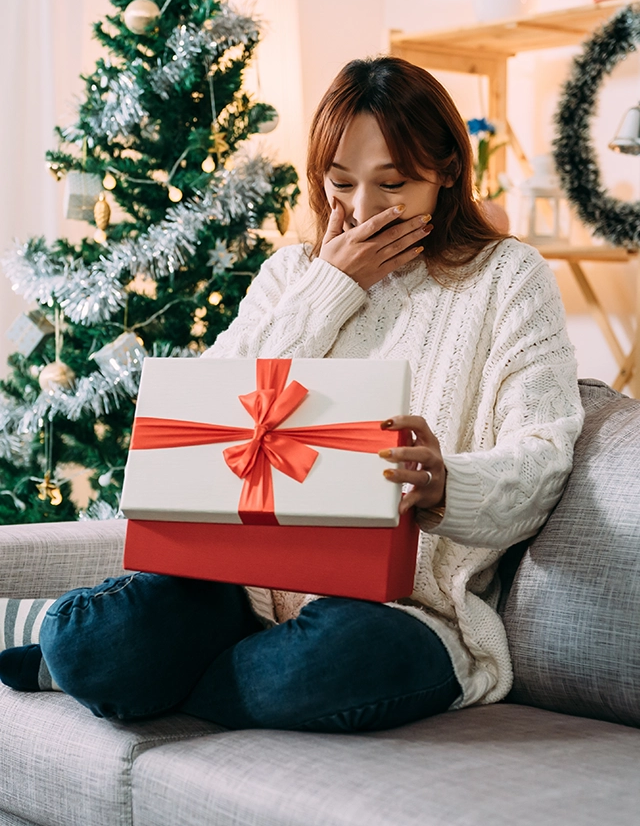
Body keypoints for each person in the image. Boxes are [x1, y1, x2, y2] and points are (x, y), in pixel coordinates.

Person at [0, 57, 584, 732]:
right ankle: (144, 664)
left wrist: (448, 485)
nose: (362, 210)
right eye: (341, 184)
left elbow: (542, 458)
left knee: (327, 661)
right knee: (88, 639)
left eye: (391, 184)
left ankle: (162, 681)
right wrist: (331, 289)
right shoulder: (292, 276)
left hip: (404, 614)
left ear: (448, 168)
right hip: (243, 591)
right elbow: (211, 404)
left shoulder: (508, 277)